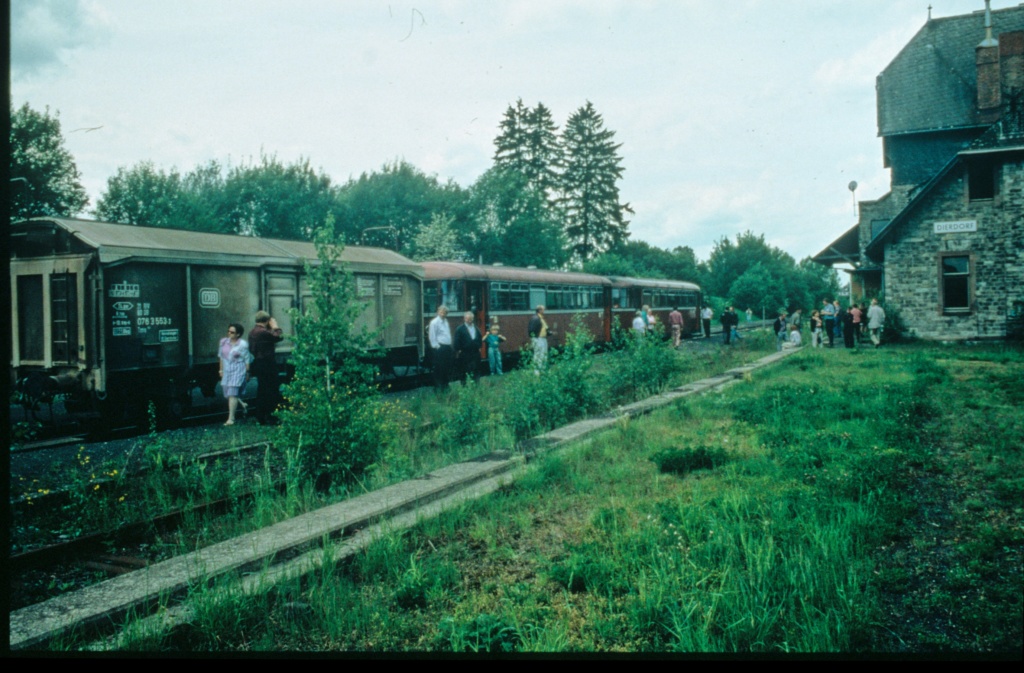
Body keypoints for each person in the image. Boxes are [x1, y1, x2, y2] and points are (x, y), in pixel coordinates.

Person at [250, 310, 283, 425]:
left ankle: (260, 416)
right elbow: (279, 337)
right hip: (268, 363)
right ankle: (271, 416)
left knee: (262, 390)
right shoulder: (263, 332)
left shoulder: (253, 332)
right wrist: (275, 326)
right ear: (267, 321)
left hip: (259, 362)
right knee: (272, 390)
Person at [219, 323, 251, 426]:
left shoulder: (243, 344)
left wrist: (247, 372)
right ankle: (242, 404)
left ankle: (231, 419)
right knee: (228, 393)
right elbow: (221, 357)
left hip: (238, 369)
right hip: (227, 370)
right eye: (228, 331)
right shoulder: (223, 342)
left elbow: (247, 359)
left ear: (238, 334)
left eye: (232, 332)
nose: (229, 333)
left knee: (232, 393)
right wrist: (221, 370)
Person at [428, 306, 453, 390]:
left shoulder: (446, 321)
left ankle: (445, 385)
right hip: (440, 348)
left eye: (445, 312)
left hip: (447, 347)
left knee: (446, 367)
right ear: (438, 311)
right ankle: (438, 387)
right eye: (442, 312)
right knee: (439, 368)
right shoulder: (434, 322)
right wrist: (437, 347)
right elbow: (432, 336)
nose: (443, 313)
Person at [454, 311, 482, 384]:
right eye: (467, 319)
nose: (469, 320)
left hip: (475, 353)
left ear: (473, 319)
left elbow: (479, 338)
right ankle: (464, 387)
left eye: (470, 319)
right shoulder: (460, 329)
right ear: (464, 319)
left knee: (475, 370)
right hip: (464, 353)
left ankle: (475, 386)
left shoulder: (476, 328)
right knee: (463, 371)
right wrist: (458, 349)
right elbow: (456, 340)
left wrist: (479, 347)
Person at [528, 305, 549, 373]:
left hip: (542, 338)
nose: (544, 311)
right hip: (538, 339)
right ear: (539, 310)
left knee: (543, 355)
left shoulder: (541, 318)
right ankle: (537, 372)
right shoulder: (536, 318)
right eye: (543, 309)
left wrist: (549, 333)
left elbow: (545, 328)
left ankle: (542, 370)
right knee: (539, 355)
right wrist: (534, 338)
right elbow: (531, 330)